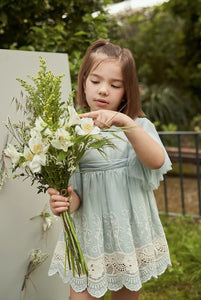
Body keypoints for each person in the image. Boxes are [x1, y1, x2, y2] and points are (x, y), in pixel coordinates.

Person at [48, 39, 172, 300]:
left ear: (126, 91)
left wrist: (126, 123)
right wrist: (64, 201)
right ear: (83, 82)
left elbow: (157, 160)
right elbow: (76, 197)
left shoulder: (137, 126)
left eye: (115, 85)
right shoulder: (72, 132)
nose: (103, 90)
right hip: (89, 236)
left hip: (128, 234)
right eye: (95, 81)